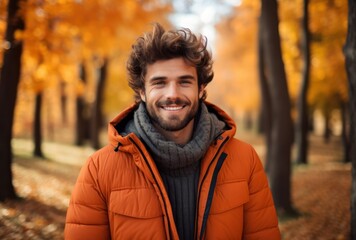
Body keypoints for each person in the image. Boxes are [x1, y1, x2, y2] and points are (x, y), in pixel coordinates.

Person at [64, 23, 281, 240]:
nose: (173, 94)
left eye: (184, 82)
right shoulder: (98, 171)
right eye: (159, 83)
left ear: (201, 89)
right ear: (142, 92)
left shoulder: (245, 160)